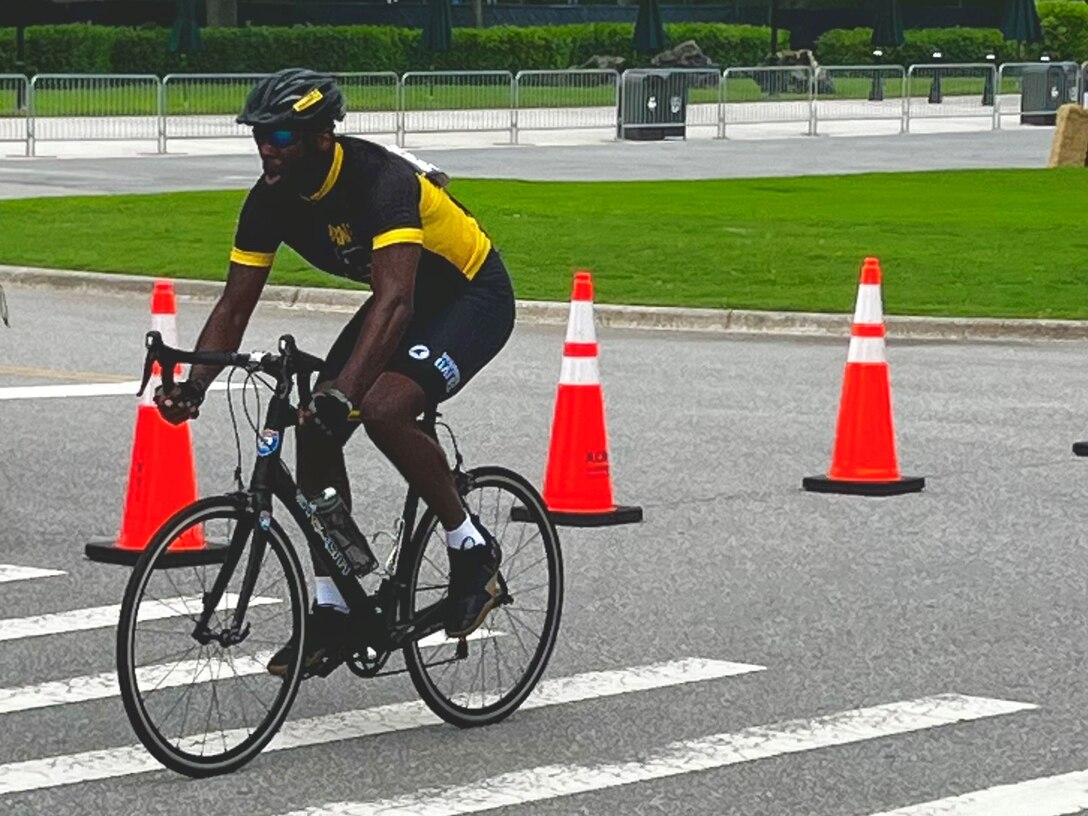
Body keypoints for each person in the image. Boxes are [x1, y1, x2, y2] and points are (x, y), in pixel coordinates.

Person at [153, 68, 515, 676]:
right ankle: (335, 604)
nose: (267, 147)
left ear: (322, 137)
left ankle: (470, 546)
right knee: (314, 429)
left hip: (468, 296)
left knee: (382, 408)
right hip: (401, 300)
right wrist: (195, 384)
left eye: (282, 136)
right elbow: (235, 305)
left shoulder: (380, 181)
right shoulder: (270, 199)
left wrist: (344, 393)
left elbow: (396, 302)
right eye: (259, 135)